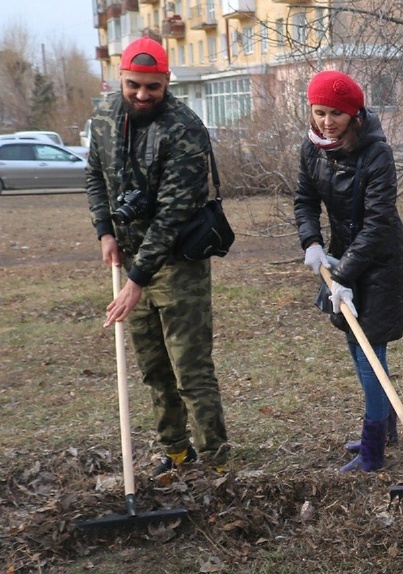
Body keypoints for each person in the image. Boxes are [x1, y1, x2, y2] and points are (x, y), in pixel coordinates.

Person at [84, 37, 229, 479]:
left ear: (166, 81)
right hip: (131, 262)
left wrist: (138, 279)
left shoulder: (184, 129)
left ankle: (216, 462)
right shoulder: (105, 116)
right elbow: (94, 174)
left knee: (190, 369)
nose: (143, 95)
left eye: (152, 87)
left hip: (177, 264)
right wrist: (105, 231)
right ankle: (177, 452)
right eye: (134, 86)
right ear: (120, 79)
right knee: (153, 368)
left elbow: (172, 215)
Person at [294, 70, 403, 473]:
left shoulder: (377, 153)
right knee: (354, 343)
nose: (327, 121)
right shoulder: (312, 148)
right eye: (320, 112)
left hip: (379, 261)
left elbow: (378, 222)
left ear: (355, 114)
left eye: (337, 114)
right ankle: (387, 425)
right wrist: (311, 242)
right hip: (342, 258)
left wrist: (344, 274)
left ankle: (373, 449)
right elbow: (305, 198)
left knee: (369, 351)